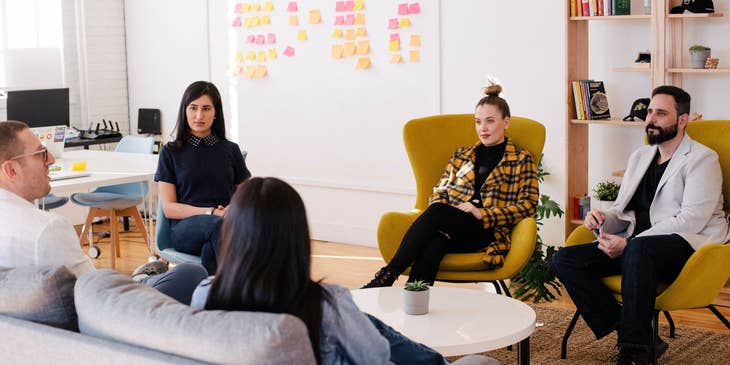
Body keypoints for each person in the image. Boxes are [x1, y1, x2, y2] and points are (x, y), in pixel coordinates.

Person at [191, 177, 497, 365]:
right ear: (296, 237)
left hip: (475, 225)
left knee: (368, 321)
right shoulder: (324, 304)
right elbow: (375, 357)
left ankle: (389, 276)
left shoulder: (205, 294)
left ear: (233, 235)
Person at [551, 85, 730, 365]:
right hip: (637, 247)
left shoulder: (701, 159)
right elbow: (623, 210)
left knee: (639, 250)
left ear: (682, 119)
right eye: (649, 112)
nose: (651, 119)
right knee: (564, 259)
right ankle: (637, 334)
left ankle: (635, 353)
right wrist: (600, 217)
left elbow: (692, 218)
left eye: (661, 113)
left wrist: (630, 244)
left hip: (687, 246)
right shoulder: (640, 156)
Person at [0, 121, 208, 305]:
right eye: (41, 153)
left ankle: (140, 279)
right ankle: (140, 280)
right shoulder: (46, 229)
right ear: (11, 170)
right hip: (109, 314)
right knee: (191, 272)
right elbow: (95, 294)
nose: (52, 160)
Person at [362, 82, 539, 288]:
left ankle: (387, 275)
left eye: (490, 121)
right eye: (478, 122)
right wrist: (451, 213)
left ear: (506, 122)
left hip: (486, 231)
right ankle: (415, 299)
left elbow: (529, 205)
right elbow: (440, 191)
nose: (483, 128)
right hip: (451, 225)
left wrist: (482, 213)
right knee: (435, 243)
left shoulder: (521, 159)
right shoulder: (462, 155)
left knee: (437, 213)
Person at [155, 81, 251, 275]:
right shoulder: (170, 152)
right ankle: (247, 289)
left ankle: (212, 297)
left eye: (206, 108)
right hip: (185, 229)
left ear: (216, 113)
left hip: (223, 226)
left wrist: (233, 209)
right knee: (221, 227)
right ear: (185, 111)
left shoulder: (230, 150)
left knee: (211, 249)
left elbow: (248, 195)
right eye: (193, 108)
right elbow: (170, 208)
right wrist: (212, 212)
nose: (199, 116)